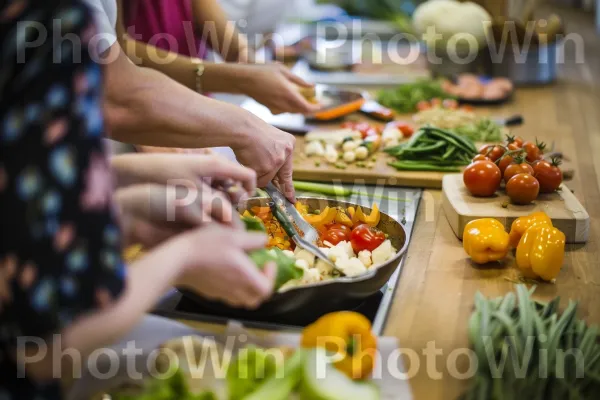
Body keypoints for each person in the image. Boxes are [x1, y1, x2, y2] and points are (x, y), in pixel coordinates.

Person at [0, 2, 275, 397]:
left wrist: (127, 201)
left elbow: (25, 200)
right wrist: (185, 256)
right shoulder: (51, 17)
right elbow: (48, 344)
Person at [82, 0, 300, 200]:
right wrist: (241, 91)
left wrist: (246, 60)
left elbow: (203, 10)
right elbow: (119, 81)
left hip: (183, 109)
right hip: (142, 121)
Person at [116, 0, 318, 116]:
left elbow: (201, 9)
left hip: (195, 106)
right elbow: (118, 48)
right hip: (140, 111)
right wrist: (238, 79)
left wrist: (244, 56)